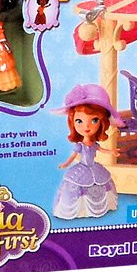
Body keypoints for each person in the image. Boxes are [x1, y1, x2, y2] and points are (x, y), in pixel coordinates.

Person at [52, 84, 124, 219]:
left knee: (102, 181)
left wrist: (112, 152)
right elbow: (73, 156)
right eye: (79, 121)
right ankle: (81, 209)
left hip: (94, 167)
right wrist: (65, 164)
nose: (86, 126)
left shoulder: (94, 144)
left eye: (94, 120)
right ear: (72, 122)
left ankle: (99, 206)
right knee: (77, 184)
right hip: (82, 168)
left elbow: (101, 149)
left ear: (102, 122)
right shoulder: (80, 145)